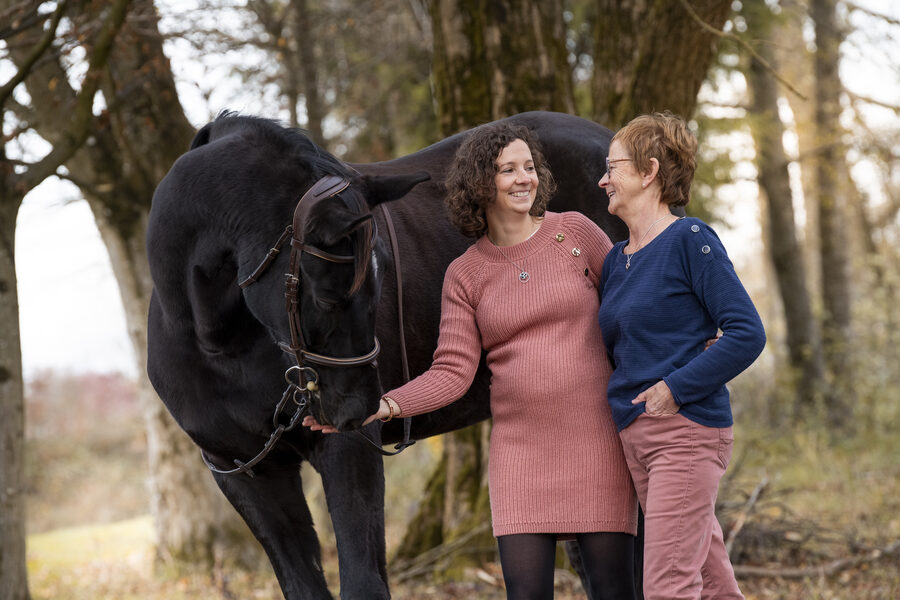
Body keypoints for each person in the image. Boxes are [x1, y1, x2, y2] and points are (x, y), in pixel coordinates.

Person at [305, 122, 638, 599]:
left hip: (597, 446)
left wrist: (692, 340)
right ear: (481, 183)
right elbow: (452, 372)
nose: (525, 179)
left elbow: (631, 306)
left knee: (615, 592)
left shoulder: (577, 233)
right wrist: (383, 406)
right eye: (509, 170)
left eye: (530, 167)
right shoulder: (466, 273)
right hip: (520, 459)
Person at [597, 112, 766, 600]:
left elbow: (746, 332)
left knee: (669, 586)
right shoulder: (616, 260)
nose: (603, 180)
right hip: (636, 435)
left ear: (649, 171)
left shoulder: (690, 239)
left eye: (613, 167)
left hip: (684, 433)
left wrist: (674, 388)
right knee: (712, 584)